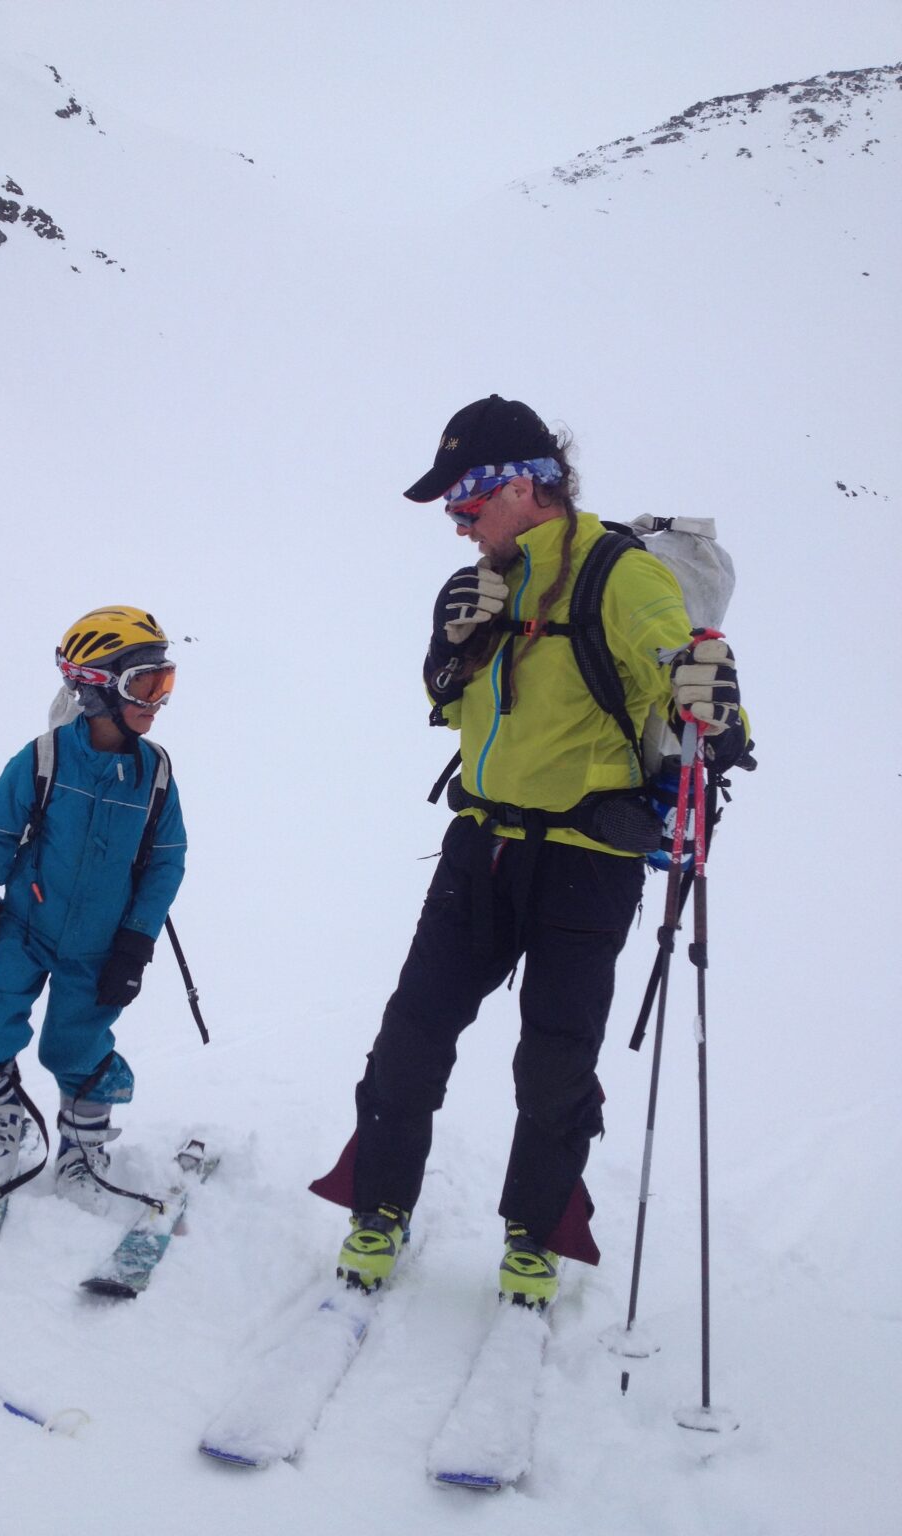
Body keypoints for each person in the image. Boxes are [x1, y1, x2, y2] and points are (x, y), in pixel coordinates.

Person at [310, 395, 751, 1305]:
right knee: (412, 1036)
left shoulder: (620, 576)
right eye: (450, 507)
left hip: (588, 860)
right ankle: (378, 1207)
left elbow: (690, 678)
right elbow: (445, 699)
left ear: (529, 484)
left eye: (466, 498)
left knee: (554, 1059)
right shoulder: (476, 582)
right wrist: (457, 647)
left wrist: (722, 708)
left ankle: (534, 1233)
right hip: (480, 845)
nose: (457, 520)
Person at [0, 605, 186, 1212]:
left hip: (100, 942)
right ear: (96, 688)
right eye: (143, 685)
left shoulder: (154, 775)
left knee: (76, 1047)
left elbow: (165, 863)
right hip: (24, 927)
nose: (157, 701)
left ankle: (83, 1144)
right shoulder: (43, 759)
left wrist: (136, 941)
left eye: (165, 684)